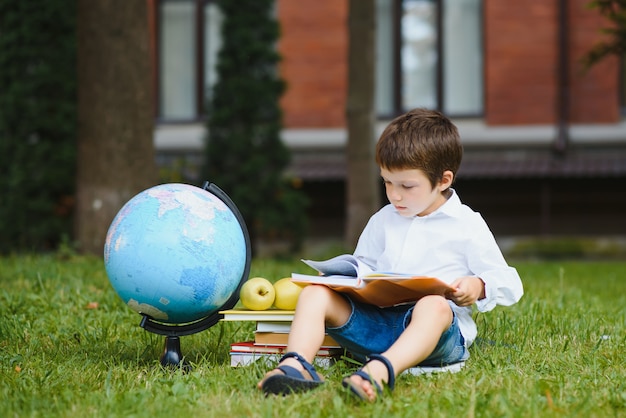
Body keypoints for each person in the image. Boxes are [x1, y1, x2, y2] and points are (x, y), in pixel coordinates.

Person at [257, 108, 524, 401]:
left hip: (434, 337)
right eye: (387, 182)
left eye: (407, 186)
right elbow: (365, 268)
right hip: (375, 327)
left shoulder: (467, 223)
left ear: (444, 180)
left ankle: (378, 373)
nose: (394, 195)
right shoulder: (383, 219)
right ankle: (295, 366)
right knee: (314, 293)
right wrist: (340, 278)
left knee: (434, 305)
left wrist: (478, 286)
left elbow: (510, 282)